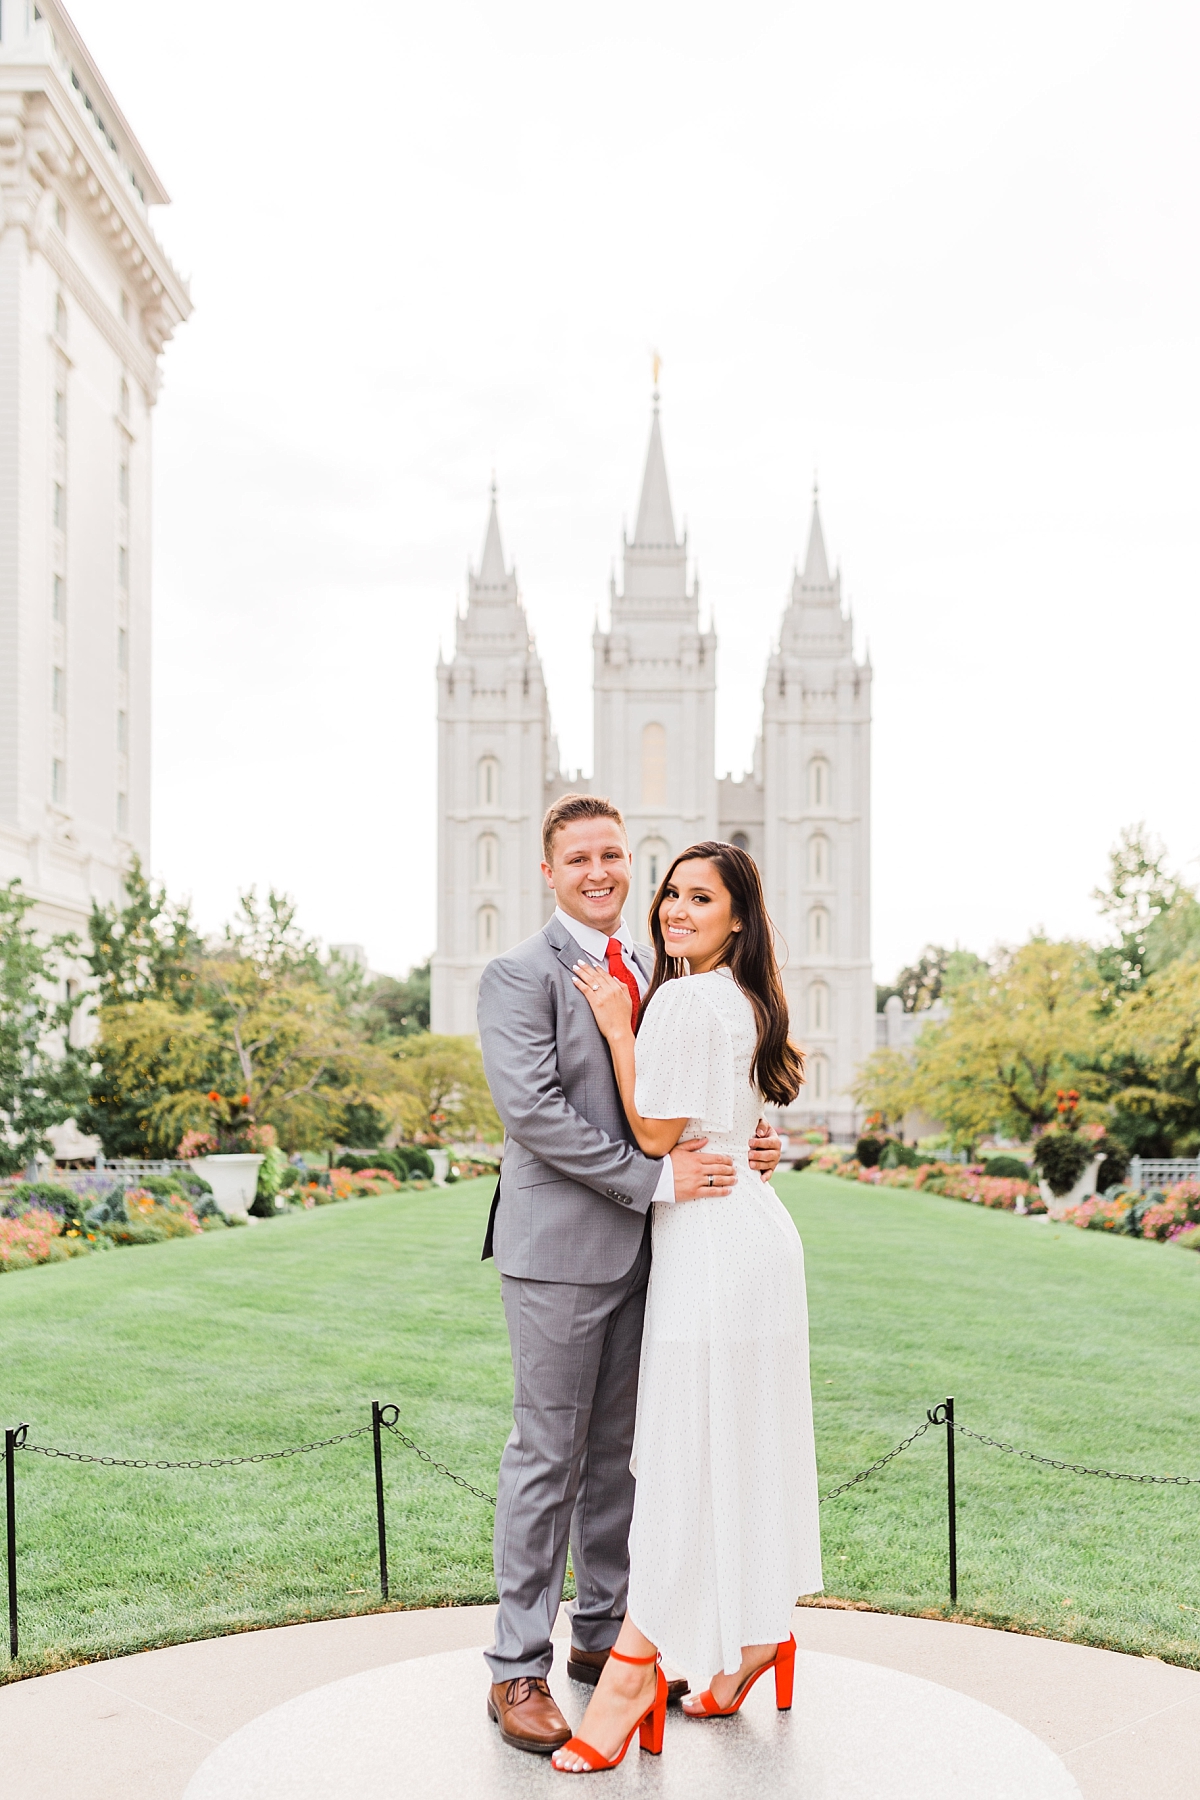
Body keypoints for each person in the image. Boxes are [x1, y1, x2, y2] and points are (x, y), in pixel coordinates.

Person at [476, 796, 783, 1757]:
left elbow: (680, 1094)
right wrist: (657, 1174)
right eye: (580, 858)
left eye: (615, 855)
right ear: (549, 870)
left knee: (620, 1462)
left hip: (656, 1253)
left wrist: (742, 1137)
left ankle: (606, 1640)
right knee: (546, 1457)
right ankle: (517, 1668)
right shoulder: (517, 975)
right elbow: (536, 1115)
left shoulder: (658, 972)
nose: (601, 872)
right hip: (561, 1254)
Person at [550, 838, 823, 1775]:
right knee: (743, 1442)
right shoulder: (745, 998)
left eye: (698, 899)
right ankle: (756, 1639)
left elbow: (656, 1130)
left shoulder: (677, 996)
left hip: (711, 1249)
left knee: (677, 1457)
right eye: (670, 895)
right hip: (757, 1237)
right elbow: (736, 1117)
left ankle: (631, 1672)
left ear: (736, 918)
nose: (674, 910)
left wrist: (623, 1030)